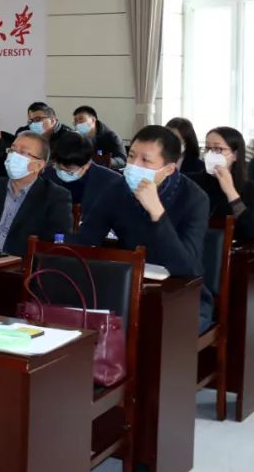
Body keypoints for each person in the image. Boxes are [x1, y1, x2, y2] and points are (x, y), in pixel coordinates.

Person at [78, 125, 212, 331]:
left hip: (182, 296)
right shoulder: (117, 190)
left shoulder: (194, 199)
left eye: (145, 161)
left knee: (154, 330)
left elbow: (188, 269)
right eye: (131, 156)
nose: (133, 165)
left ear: (169, 169)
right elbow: (87, 239)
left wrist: (157, 213)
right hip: (127, 288)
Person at [0, 131, 73, 255]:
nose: (13, 156)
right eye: (12, 150)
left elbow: (54, 248)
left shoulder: (55, 197)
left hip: (23, 265)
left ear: (38, 165)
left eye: (22, 152)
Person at [194, 127, 254, 240]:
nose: (210, 154)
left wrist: (230, 191)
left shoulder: (251, 189)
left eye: (218, 149)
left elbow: (252, 231)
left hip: (231, 248)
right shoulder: (193, 182)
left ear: (235, 155)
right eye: (208, 149)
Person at [42, 131, 121, 217]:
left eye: (69, 171)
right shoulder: (45, 175)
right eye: (59, 168)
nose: (62, 173)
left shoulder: (111, 182)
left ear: (87, 165)